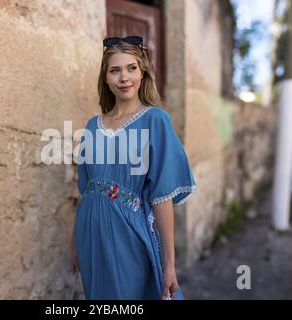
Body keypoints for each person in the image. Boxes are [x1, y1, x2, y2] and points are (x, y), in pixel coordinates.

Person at [70, 36, 197, 300]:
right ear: (105, 78)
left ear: (143, 73)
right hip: (90, 235)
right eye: (115, 70)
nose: (123, 77)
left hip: (129, 233)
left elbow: (163, 198)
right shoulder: (93, 125)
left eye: (131, 68)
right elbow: (86, 192)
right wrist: (75, 244)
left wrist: (169, 265)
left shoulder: (156, 120)